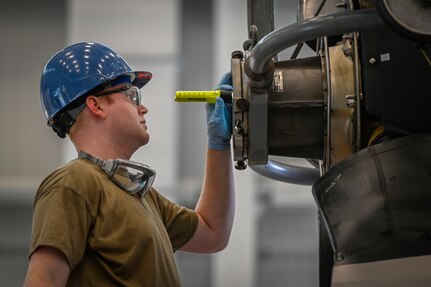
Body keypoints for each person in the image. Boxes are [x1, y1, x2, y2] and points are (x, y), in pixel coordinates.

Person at [23, 42, 234, 287]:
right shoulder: (74, 182)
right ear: (96, 105)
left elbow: (213, 233)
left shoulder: (141, 196)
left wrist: (218, 143)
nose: (142, 108)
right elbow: (43, 280)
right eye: (132, 95)